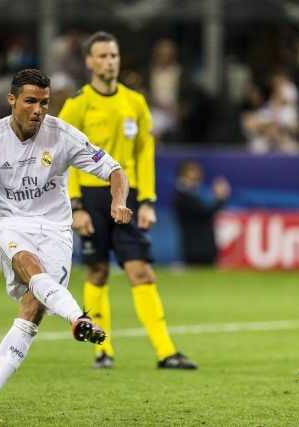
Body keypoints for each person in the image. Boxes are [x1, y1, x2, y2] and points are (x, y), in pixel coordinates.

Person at [0, 68, 131, 422]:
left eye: (45, 103)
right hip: (11, 225)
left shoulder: (62, 135)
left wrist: (118, 201)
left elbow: (115, 170)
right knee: (28, 264)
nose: (38, 110)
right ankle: (78, 318)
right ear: (12, 100)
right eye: (31, 101)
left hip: (56, 231)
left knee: (32, 311)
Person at [58, 31, 197, 370]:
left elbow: (145, 154)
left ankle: (166, 352)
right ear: (90, 61)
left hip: (128, 195)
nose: (110, 62)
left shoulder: (135, 102)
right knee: (98, 272)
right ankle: (102, 349)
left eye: (114, 56)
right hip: (90, 196)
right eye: (103, 56)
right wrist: (74, 206)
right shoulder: (77, 105)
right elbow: (63, 159)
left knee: (142, 272)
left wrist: (147, 200)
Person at [172, 160, 230, 265]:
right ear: (183, 176)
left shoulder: (189, 195)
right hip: (197, 249)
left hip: (202, 247)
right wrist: (220, 198)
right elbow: (204, 212)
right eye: (192, 178)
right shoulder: (182, 196)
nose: (196, 181)